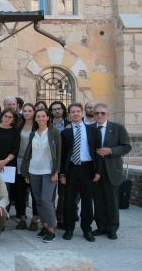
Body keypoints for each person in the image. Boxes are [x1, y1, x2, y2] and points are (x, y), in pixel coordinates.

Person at [60, 103, 102, 242]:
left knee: (87, 201)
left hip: (87, 168)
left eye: (78, 111)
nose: (76, 114)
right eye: (73, 111)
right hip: (71, 168)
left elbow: (97, 152)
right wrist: (62, 173)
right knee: (69, 200)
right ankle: (69, 228)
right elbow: (63, 154)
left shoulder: (92, 130)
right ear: (69, 114)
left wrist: (98, 172)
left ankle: (87, 229)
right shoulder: (65, 132)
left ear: (82, 112)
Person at [21, 108, 61, 243]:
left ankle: (51, 229)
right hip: (34, 171)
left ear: (48, 118)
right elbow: (28, 153)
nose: (41, 118)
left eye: (43, 116)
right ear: (35, 119)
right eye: (38, 116)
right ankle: (44, 226)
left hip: (48, 171)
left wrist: (56, 171)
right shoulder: (33, 134)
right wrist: (26, 171)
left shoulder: (54, 133)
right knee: (37, 200)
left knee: (46, 199)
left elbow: (59, 153)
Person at [92, 103, 131, 240]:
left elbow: (126, 147)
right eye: (97, 113)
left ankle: (112, 228)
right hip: (95, 172)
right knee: (98, 201)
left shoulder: (118, 128)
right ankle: (101, 226)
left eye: (102, 113)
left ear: (107, 114)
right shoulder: (90, 128)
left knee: (112, 201)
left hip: (112, 171)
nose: (99, 115)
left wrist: (111, 151)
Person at [16, 104, 39, 231]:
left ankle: (35, 219)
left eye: (30, 111)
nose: (27, 113)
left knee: (35, 192)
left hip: (35, 161)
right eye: (25, 111)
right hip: (20, 161)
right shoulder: (19, 125)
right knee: (20, 192)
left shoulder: (38, 126)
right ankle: (22, 218)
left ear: (34, 112)